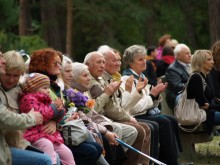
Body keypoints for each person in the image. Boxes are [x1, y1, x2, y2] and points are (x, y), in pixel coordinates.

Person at [28, 48, 102, 165]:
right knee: (90, 150)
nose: (59, 66)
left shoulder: (55, 84)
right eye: (55, 63)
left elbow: (60, 110)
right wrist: (59, 121)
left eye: (59, 63)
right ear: (43, 64)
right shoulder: (38, 84)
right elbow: (41, 112)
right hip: (43, 134)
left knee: (95, 147)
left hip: (58, 131)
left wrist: (65, 118)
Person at [85, 50, 151, 165]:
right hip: (103, 119)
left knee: (148, 126)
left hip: (109, 117)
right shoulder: (95, 81)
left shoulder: (110, 78)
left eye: (103, 62)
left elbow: (120, 105)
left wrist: (142, 93)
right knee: (141, 129)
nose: (118, 63)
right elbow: (108, 108)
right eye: (114, 60)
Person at [122, 45, 183, 165]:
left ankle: (172, 158)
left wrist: (155, 95)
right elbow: (135, 108)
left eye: (144, 58)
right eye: (140, 59)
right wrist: (151, 95)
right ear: (130, 63)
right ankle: (168, 161)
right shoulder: (127, 79)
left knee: (171, 119)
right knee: (163, 121)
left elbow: (149, 105)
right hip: (134, 115)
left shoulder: (142, 77)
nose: (144, 61)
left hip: (144, 113)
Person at [0, 51, 52, 165]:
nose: (11, 79)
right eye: (8, 74)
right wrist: (31, 118)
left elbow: (46, 106)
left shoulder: (24, 89)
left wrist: (54, 122)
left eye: (16, 75)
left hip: (23, 142)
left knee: (54, 157)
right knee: (46, 160)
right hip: (5, 147)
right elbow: (5, 118)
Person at [19, 73, 75, 165]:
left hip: (48, 134)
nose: (48, 91)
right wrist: (54, 108)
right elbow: (40, 114)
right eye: (45, 88)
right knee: (48, 148)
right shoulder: (28, 99)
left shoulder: (46, 99)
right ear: (33, 89)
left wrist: (60, 109)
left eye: (48, 87)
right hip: (35, 135)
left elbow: (58, 115)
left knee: (67, 152)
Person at [187, 50, 220, 134]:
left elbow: (211, 100)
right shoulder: (196, 77)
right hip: (199, 115)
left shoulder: (207, 76)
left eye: (212, 59)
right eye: (209, 60)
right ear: (200, 62)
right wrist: (214, 105)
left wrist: (213, 104)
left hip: (208, 112)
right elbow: (203, 104)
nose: (213, 62)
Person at [165, 43, 191, 110]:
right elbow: (177, 86)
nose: (190, 55)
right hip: (176, 96)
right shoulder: (172, 69)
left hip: (189, 93)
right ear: (178, 56)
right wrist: (194, 86)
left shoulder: (191, 65)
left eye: (190, 53)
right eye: (187, 53)